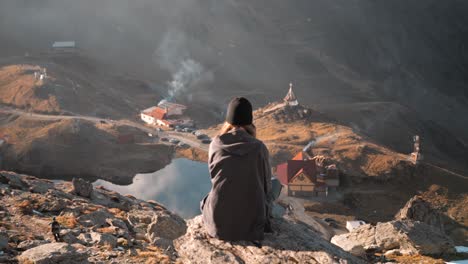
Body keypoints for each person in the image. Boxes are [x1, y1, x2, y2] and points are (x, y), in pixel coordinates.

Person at [200, 97, 274, 243]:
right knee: (275, 184)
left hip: (217, 225)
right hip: (251, 228)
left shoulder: (216, 144)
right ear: (250, 122)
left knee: (208, 197)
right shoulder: (259, 147)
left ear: (228, 121)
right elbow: (266, 186)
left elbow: (215, 177)